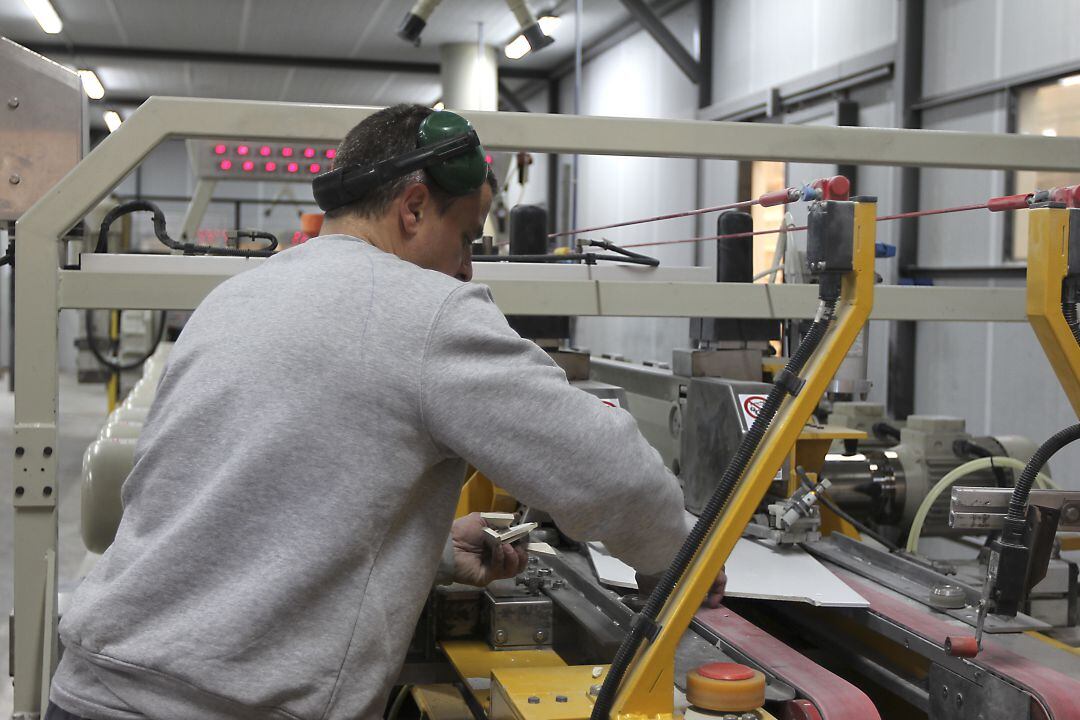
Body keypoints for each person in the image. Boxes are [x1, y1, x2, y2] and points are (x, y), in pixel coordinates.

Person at [48, 104, 720, 720]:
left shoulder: (237, 297)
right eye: (466, 237)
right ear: (414, 207)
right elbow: (611, 474)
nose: (465, 268)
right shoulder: (428, 311)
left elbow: (251, 498)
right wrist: (682, 560)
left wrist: (427, 551)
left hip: (90, 690)